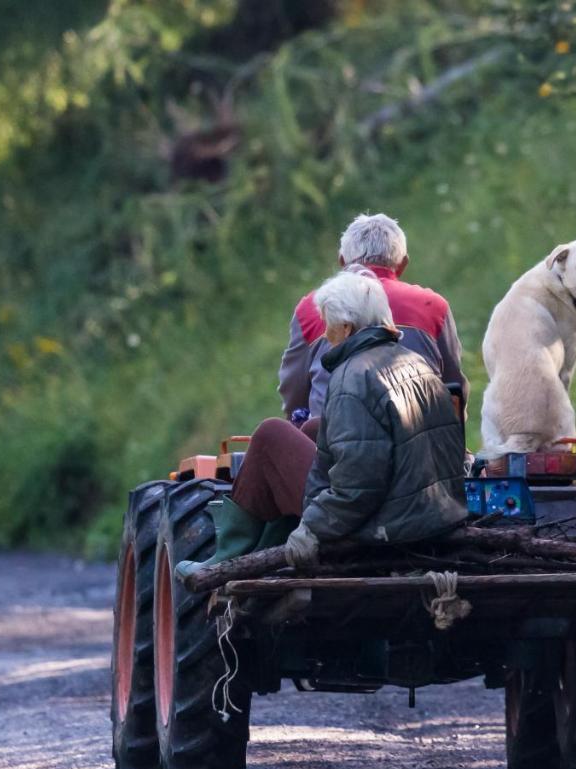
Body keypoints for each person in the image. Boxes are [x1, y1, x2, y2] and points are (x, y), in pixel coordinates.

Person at [176, 270, 468, 581]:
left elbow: (359, 486)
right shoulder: (415, 364)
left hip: (382, 528)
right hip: (431, 516)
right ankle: (268, 542)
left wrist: (313, 528)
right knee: (316, 428)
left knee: (270, 434)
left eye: (328, 325)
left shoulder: (353, 377)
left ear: (346, 327)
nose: (325, 335)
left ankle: (228, 557)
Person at [278, 213, 469, 421]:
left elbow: (294, 393)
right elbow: (454, 387)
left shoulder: (312, 308)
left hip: (329, 442)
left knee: (271, 430)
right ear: (403, 264)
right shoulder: (432, 307)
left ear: (342, 261)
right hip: (422, 439)